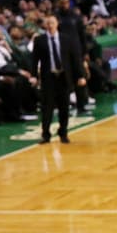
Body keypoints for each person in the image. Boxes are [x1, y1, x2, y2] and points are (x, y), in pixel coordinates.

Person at [33, 16, 72, 144]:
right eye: (48, 23)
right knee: (47, 107)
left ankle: (63, 132)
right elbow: (35, 60)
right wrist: (34, 75)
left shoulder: (66, 39)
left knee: (64, 107)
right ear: (45, 25)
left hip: (63, 77)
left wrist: (80, 76)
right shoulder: (39, 40)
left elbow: (73, 58)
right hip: (48, 77)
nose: (50, 25)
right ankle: (46, 134)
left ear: (57, 24)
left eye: (52, 23)